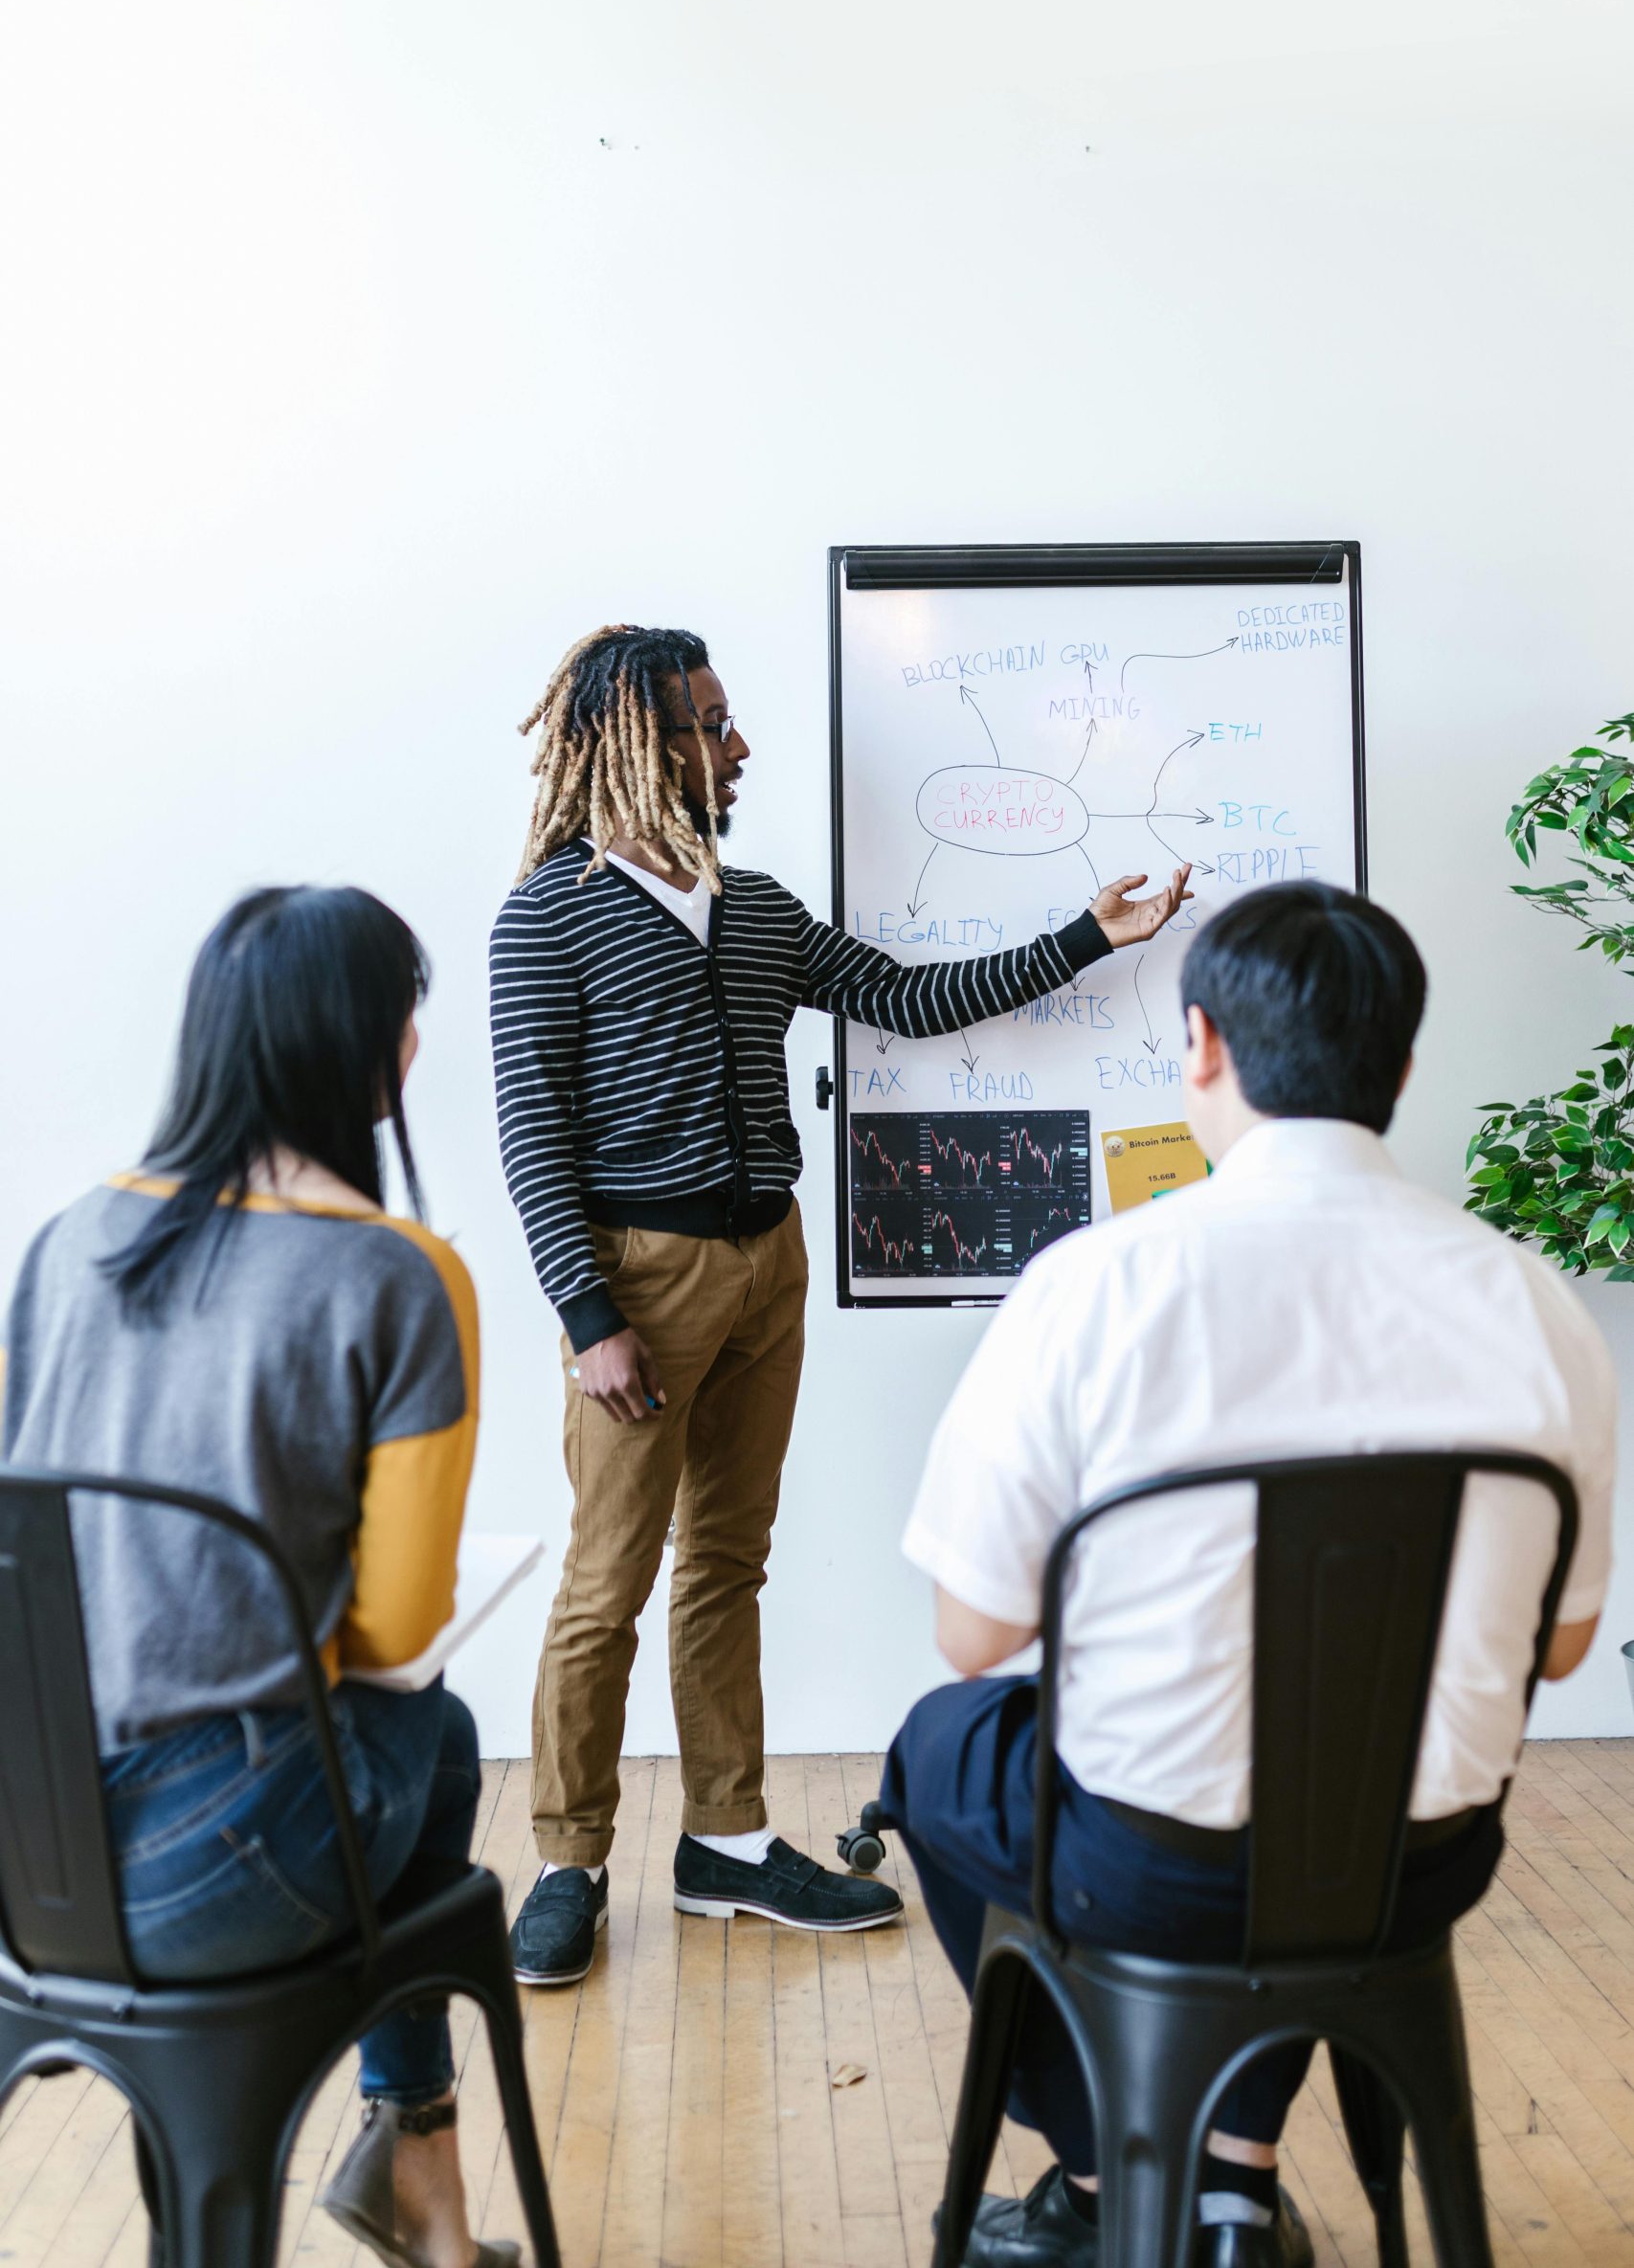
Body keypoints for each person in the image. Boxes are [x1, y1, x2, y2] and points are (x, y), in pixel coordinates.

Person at [881, 880, 1615, 2268]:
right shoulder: (1535, 1303)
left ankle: (1108, 2176)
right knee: (1314, 1784)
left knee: (940, 1748)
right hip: (1420, 1863)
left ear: (1201, 1045)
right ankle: (1235, 2173)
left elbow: (973, 1632)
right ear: (1401, 1068)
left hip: (1152, 1868)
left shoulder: (1095, 1285)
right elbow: (1562, 1653)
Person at [489, 622, 1192, 1983]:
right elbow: (532, 1131)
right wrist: (588, 1317)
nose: (734, 744)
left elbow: (904, 998)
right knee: (604, 1586)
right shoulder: (549, 916)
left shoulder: (754, 909)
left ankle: (726, 1845)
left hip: (769, 1265)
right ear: (639, 744)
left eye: (727, 718)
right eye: (709, 723)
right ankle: (569, 1861)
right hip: (640, 1284)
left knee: (727, 1565)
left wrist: (1086, 939)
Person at [2, 887, 511, 2268]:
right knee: (441, 1730)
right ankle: (426, 2183)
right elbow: (401, 1624)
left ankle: (417, 2197)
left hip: (25, 1847)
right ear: (387, 1049)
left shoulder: (64, 1243)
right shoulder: (399, 1275)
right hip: (207, 1869)